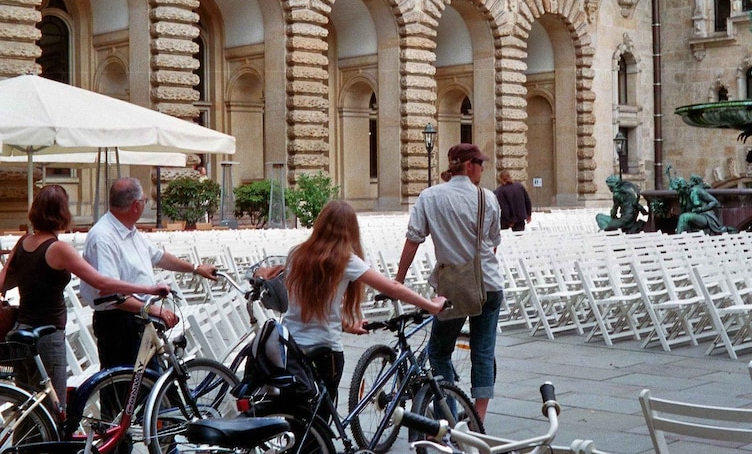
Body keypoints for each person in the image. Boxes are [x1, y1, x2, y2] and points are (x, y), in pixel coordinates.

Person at [261, 200, 445, 409]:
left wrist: (346, 325)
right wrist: (431, 305)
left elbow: (309, 306)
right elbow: (392, 287)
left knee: (299, 411)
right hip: (325, 350)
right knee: (321, 416)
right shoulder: (345, 260)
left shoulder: (296, 253)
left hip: (291, 346)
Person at [0, 185, 170, 407]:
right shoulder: (58, 249)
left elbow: (4, 281)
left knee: (29, 405)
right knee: (54, 406)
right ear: (62, 212)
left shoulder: (23, 243)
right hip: (48, 335)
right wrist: (148, 289)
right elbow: (101, 282)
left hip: (21, 330)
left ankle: (25, 442)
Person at [394, 143, 502, 422]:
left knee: (439, 350)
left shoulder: (429, 197)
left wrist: (399, 280)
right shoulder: (487, 198)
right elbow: (493, 246)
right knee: (483, 350)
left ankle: (449, 415)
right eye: (480, 163)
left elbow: (413, 240)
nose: (483, 168)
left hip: (452, 287)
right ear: (469, 166)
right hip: (488, 284)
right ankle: (478, 418)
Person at [80, 177, 218, 370]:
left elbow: (159, 256)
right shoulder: (104, 236)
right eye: (145, 201)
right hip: (119, 323)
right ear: (136, 205)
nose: (145, 204)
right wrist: (151, 309)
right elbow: (109, 293)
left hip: (138, 319)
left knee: (151, 383)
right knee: (124, 388)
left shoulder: (129, 230)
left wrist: (195, 268)